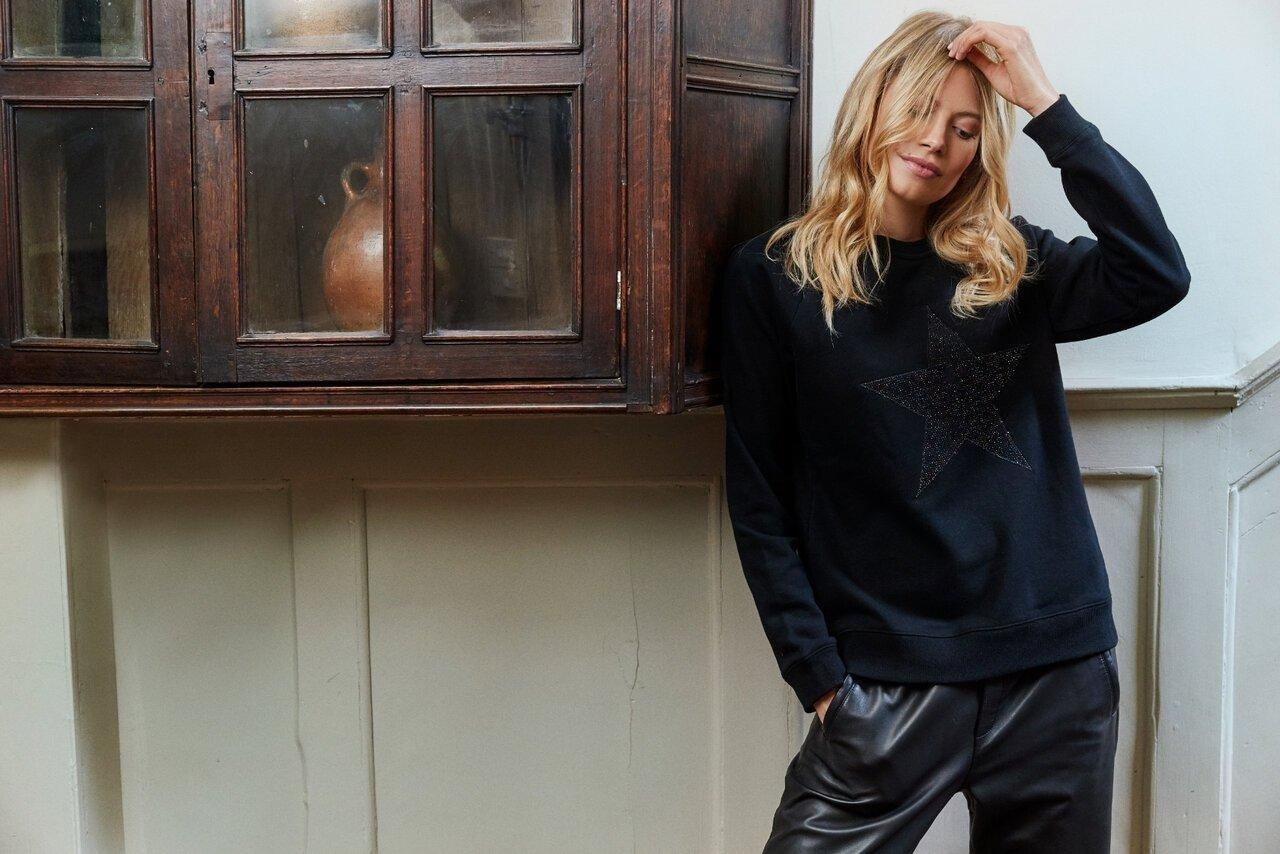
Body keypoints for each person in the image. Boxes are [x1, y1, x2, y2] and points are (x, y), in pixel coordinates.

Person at [719, 11, 1190, 852]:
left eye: (966, 128)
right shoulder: (774, 277)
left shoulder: (1010, 263)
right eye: (920, 108)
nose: (937, 141)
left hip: (1055, 677)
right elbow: (760, 500)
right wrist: (821, 683)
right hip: (884, 692)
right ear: (874, 103)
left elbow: (1155, 272)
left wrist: (1043, 102)